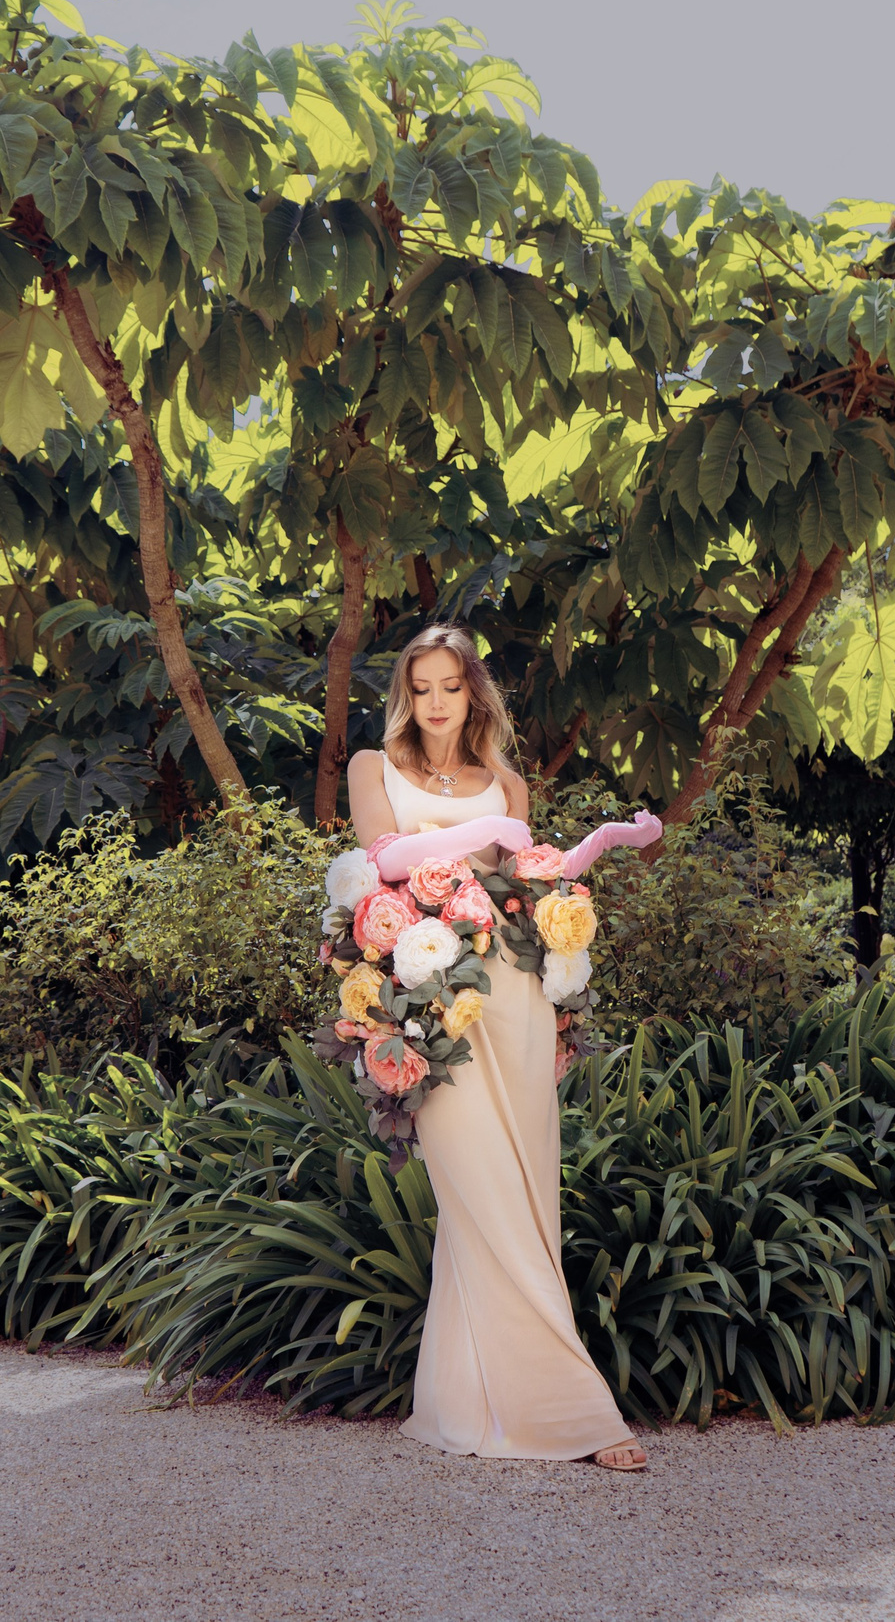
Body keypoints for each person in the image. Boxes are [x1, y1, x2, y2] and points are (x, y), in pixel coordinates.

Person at [345, 621, 650, 1475]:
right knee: (479, 1184)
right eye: (423, 688)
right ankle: (574, 1412)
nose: (437, 703)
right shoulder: (376, 767)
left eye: (452, 686)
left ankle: (465, 1401)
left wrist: (605, 842)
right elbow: (388, 854)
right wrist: (484, 844)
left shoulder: (506, 780)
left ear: (474, 692)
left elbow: (535, 876)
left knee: (524, 1190)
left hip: (513, 996)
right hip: (430, 1005)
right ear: (407, 694)